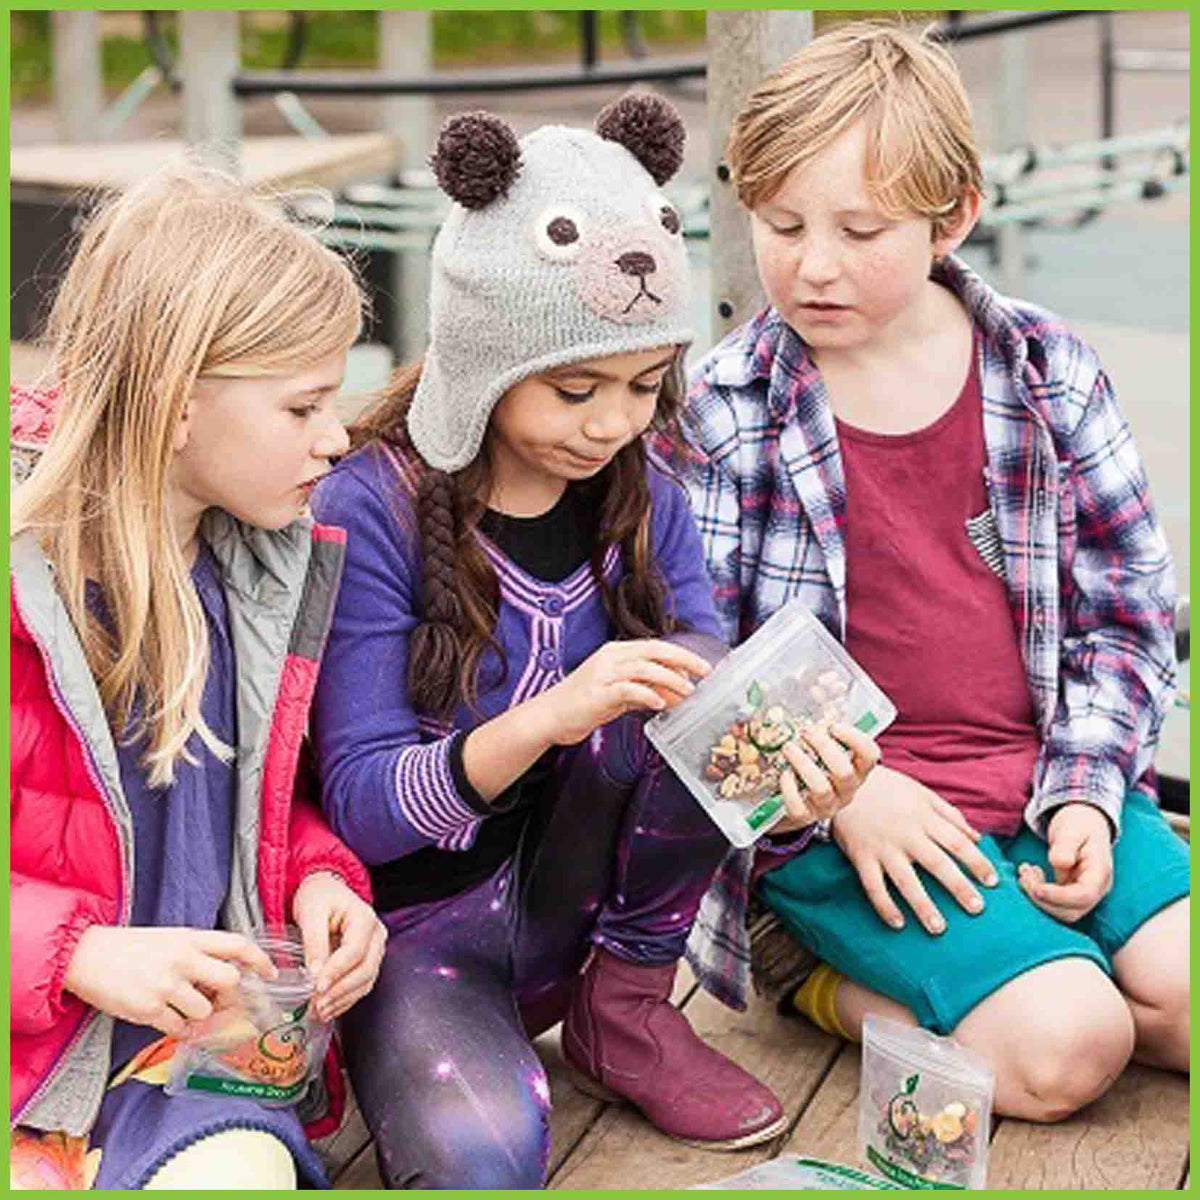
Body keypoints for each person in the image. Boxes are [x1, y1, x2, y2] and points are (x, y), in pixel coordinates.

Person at [309, 94, 880, 1188]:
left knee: (710, 681)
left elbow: (712, 712)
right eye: (576, 388)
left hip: (592, 922)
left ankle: (623, 1009)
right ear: (481, 359)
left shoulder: (645, 487)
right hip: (422, 937)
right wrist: (556, 711)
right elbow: (368, 812)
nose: (614, 423)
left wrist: (792, 783)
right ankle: (493, 1035)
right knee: (480, 1160)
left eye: (640, 383)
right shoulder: (367, 509)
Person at [661, 19, 1188, 1126]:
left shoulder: (1046, 373)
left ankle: (1041, 963)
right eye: (781, 223)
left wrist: (1090, 788)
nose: (812, 264)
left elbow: (1129, 615)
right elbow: (687, 667)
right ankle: (816, 984)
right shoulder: (724, 409)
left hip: (1039, 781)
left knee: (1181, 995)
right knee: (1069, 1051)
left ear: (954, 218)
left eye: (861, 230)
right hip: (850, 819)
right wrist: (851, 794)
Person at [10, 161, 388, 1190]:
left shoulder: (253, 571)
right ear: (178, 407)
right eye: (303, 405)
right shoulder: (22, 587)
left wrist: (317, 878)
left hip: (184, 1068)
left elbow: (241, 801)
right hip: (31, 1066)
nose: (336, 436)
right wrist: (80, 954)